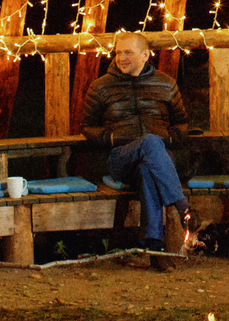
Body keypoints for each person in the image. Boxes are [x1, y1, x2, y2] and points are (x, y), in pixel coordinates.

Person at [81, 32, 193, 258]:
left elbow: (182, 124)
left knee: (147, 168)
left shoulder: (165, 84)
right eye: (118, 53)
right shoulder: (101, 87)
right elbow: (87, 127)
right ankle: (184, 208)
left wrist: (169, 140)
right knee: (150, 143)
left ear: (145, 55)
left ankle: (155, 248)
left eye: (128, 53)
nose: (121, 58)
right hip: (122, 159)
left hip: (160, 162)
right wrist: (111, 138)